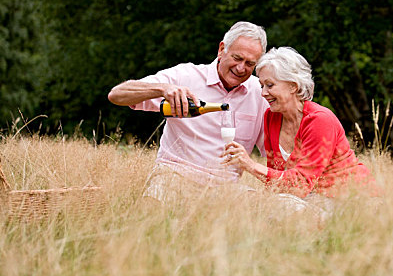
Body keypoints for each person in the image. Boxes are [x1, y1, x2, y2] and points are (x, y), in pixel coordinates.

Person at [108, 21, 269, 201]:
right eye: (237, 58)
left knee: (282, 208)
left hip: (226, 189)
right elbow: (117, 95)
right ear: (221, 49)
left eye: (249, 63)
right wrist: (161, 89)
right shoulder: (185, 76)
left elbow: (275, 154)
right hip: (174, 177)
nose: (241, 68)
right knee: (156, 203)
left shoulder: (261, 93)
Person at [222, 47, 375, 201]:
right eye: (262, 86)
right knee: (239, 193)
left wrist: (250, 165)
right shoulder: (271, 116)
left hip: (349, 200)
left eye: (270, 85)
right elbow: (274, 178)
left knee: (285, 205)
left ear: (293, 86)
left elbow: (300, 185)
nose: (263, 93)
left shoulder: (319, 120)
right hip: (309, 199)